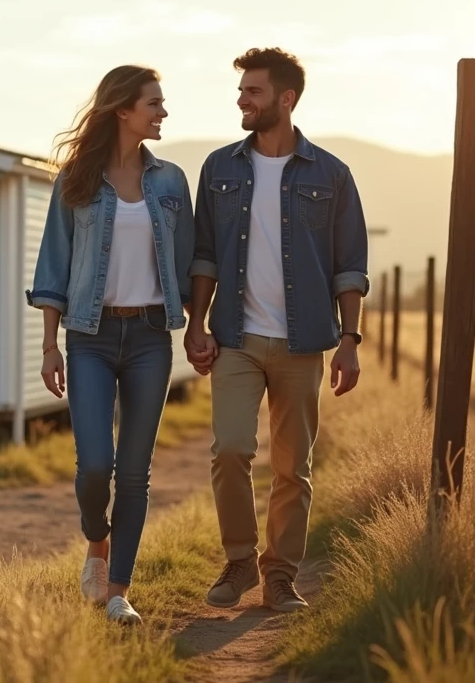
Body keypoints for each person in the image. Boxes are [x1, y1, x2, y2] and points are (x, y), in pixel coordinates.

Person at [184, 47, 369, 612]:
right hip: (235, 338)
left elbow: (349, 264)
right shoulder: (219, 167)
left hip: (302, 343)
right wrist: (196, 324)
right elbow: (205, 255)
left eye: (253, 91)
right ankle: (240, 561)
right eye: (242, 91)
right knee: (232, 450)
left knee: (293, 466)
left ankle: (281, 575)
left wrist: (350, 340)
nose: (242, 100)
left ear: (285, 99)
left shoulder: (331, 174)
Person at [26, 64, 194, 625]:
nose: (163, 111)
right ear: (123, 109)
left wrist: (202, 325)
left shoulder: (171, 182)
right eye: (154, 103)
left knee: (136, 471)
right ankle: (95, 543)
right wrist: (50, 346)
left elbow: (190, 264)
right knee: (95, 465)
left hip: (150, 336)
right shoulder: (75, 180)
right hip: (90, 338)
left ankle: (118, 590)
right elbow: (53, 264)